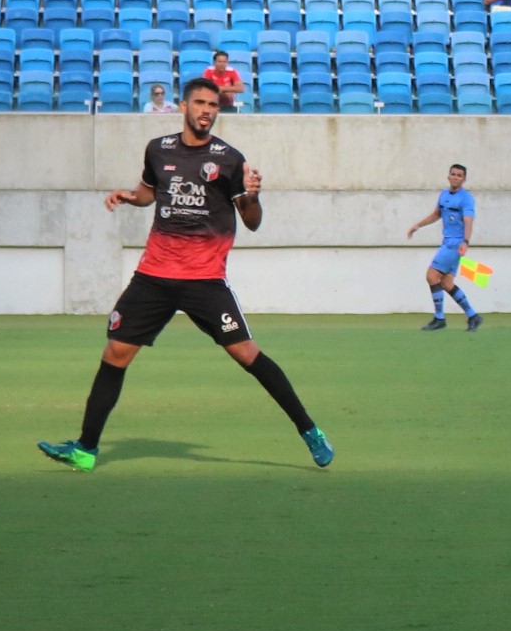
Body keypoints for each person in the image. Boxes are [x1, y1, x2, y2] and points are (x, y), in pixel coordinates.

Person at [36, 78, 331, 474]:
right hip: (154, 276)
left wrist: (253, 195)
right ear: (184, 106)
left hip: (204, 279)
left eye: (213, 105)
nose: (207, 110)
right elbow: (149, 192)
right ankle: (86, 449)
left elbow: (252, 221)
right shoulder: (158, 149)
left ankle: (309, 430)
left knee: (246, 354)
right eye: (200, 103)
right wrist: (130, 196)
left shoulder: (230, 159)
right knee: (115, 353)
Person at [406, 162, 482, 331]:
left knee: (431, 275)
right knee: (447, 283)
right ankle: (473, 316)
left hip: (455, 244)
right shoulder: (444, 194)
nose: (455, 177)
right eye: (453, 174)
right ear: (448, 176)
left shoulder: (466, 198)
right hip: (447, 242)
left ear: (464, 180)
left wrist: (466, 241)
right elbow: (436, 214)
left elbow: (469, 221)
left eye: (459, 175)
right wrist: (418, 225)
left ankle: (439, 318)